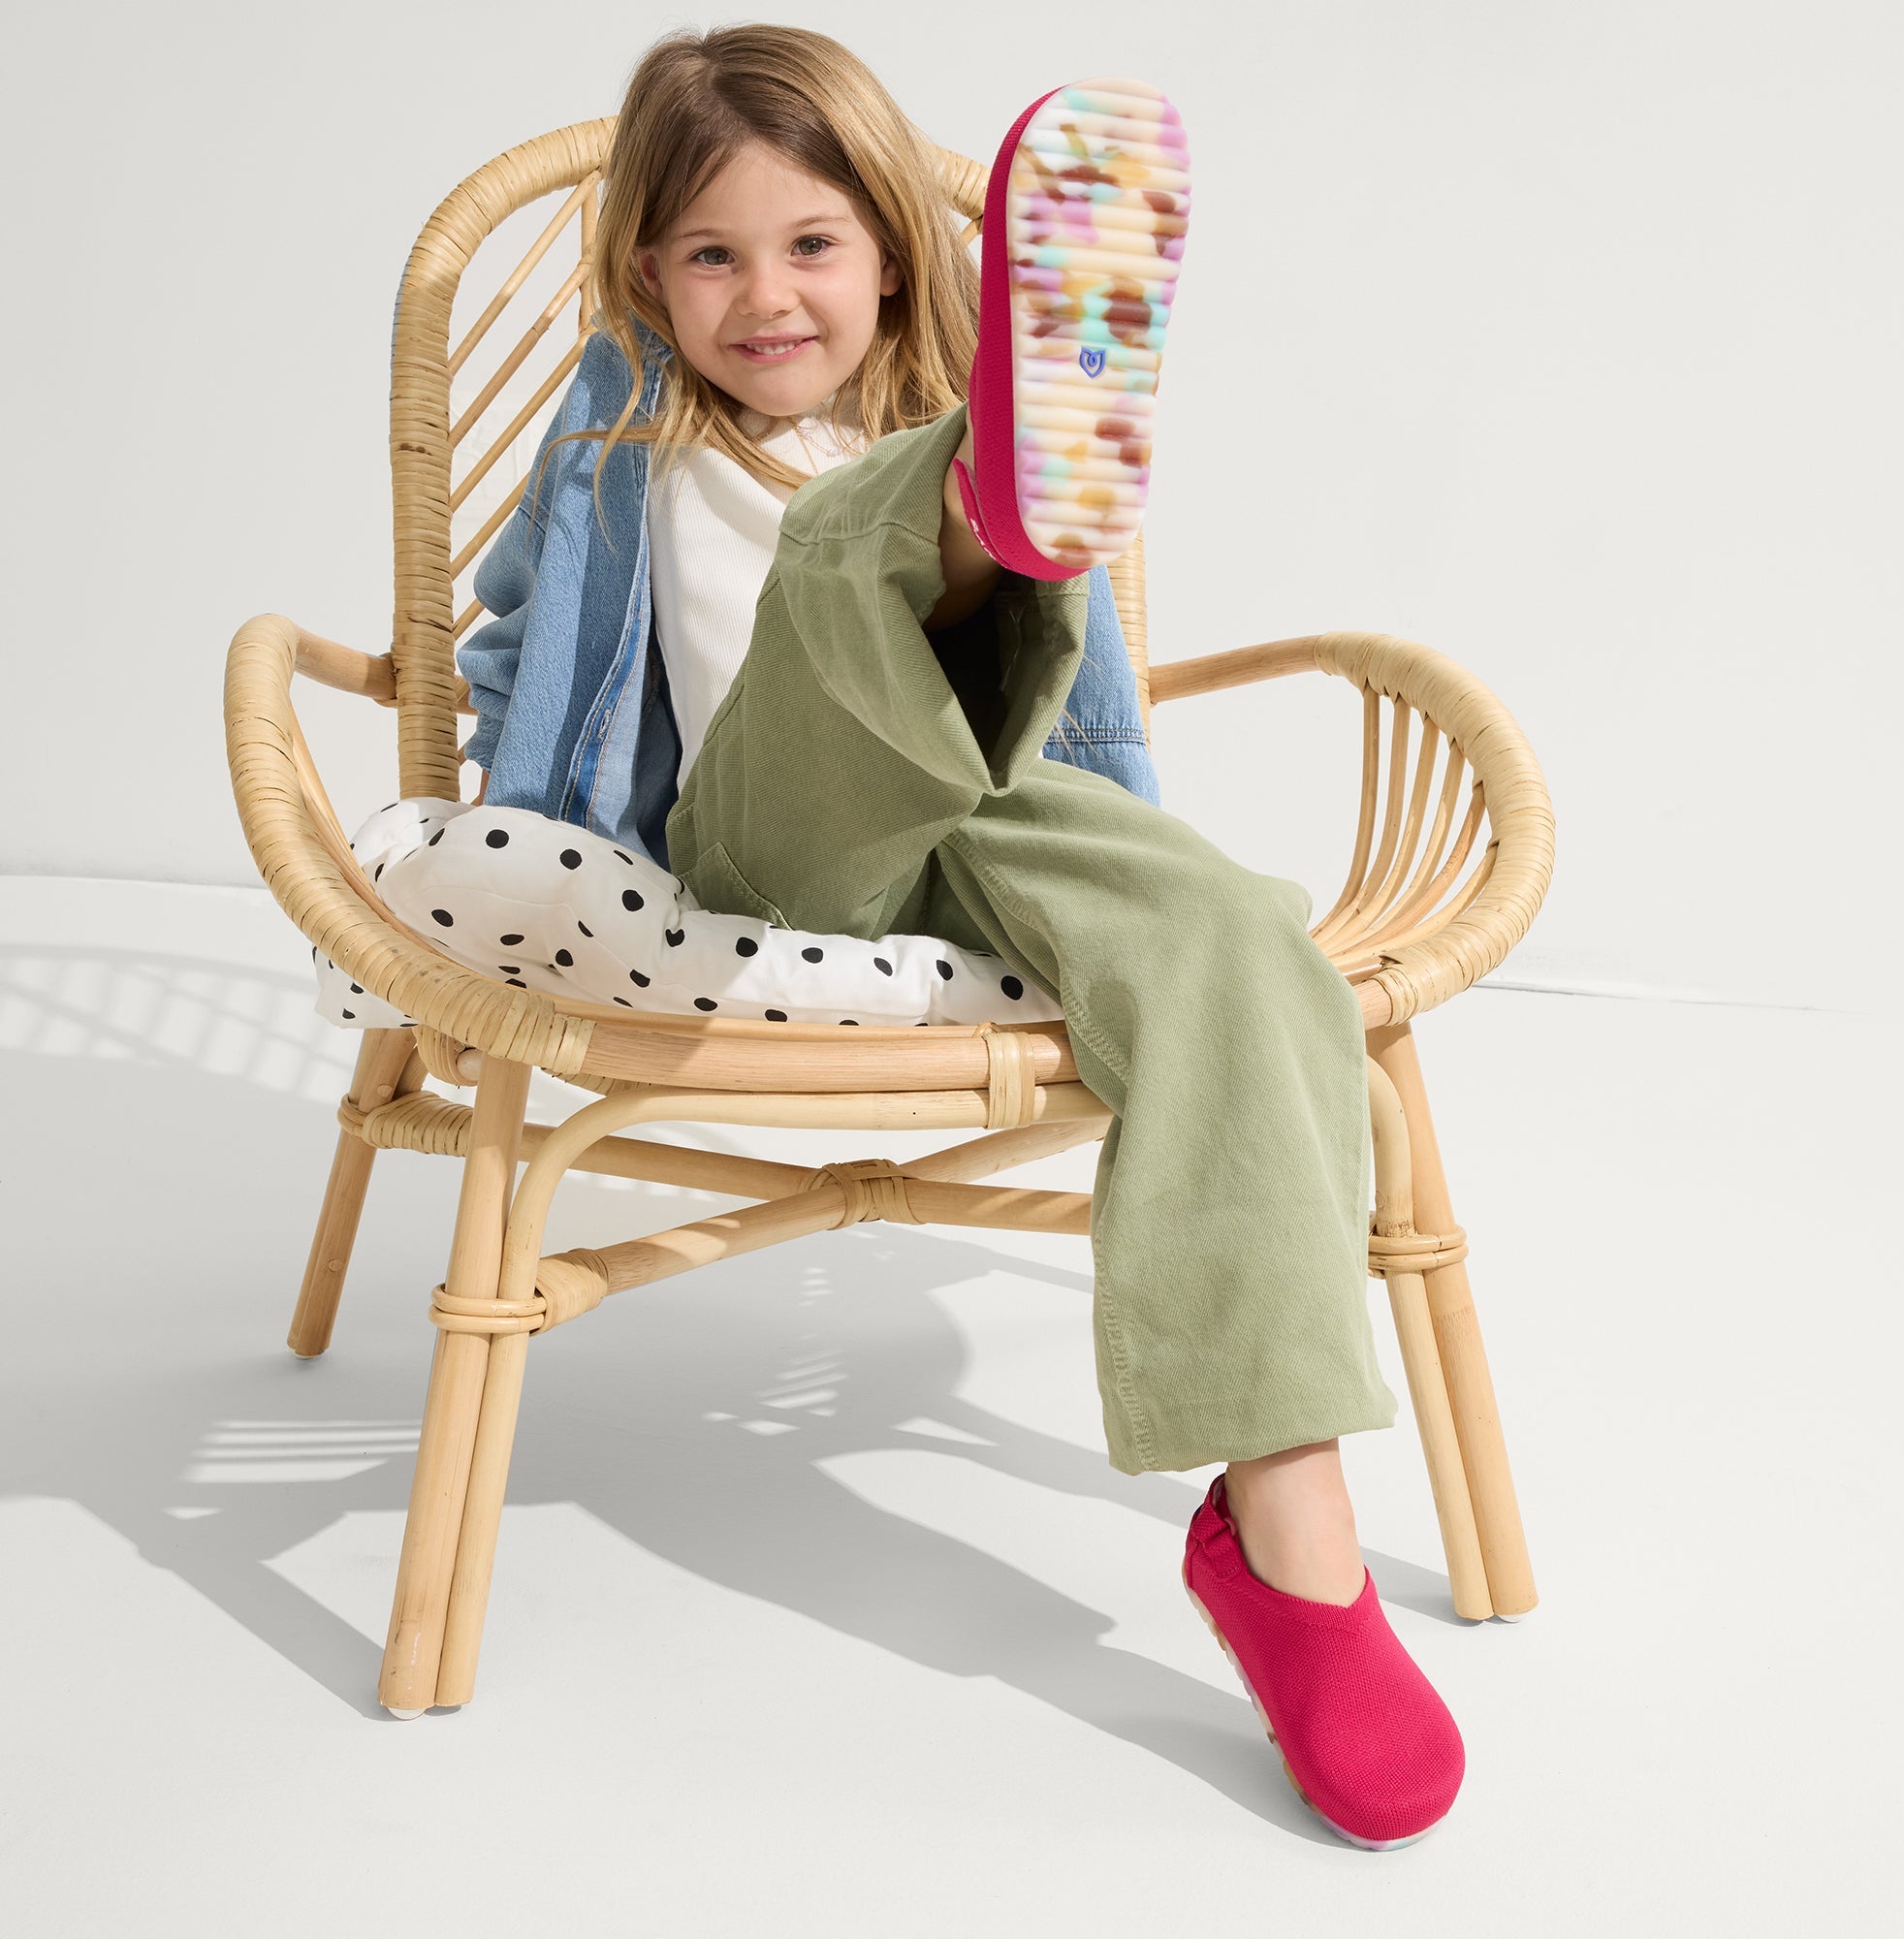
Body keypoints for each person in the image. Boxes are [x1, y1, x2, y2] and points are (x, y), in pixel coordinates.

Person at [460, 23, 1466, 1850]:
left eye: (811, 244)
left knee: (1242, 939)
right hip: (767, 847)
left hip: (987, 810)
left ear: (890, 256)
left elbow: (1065, 755)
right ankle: (990, 504)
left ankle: (1290, 1541)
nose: (766, 296)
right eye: (710, 254)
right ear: (648, 278)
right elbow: (524, 644)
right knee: (846, 556)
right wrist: (516, 804)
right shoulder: (631, 431)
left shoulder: (900, 395)